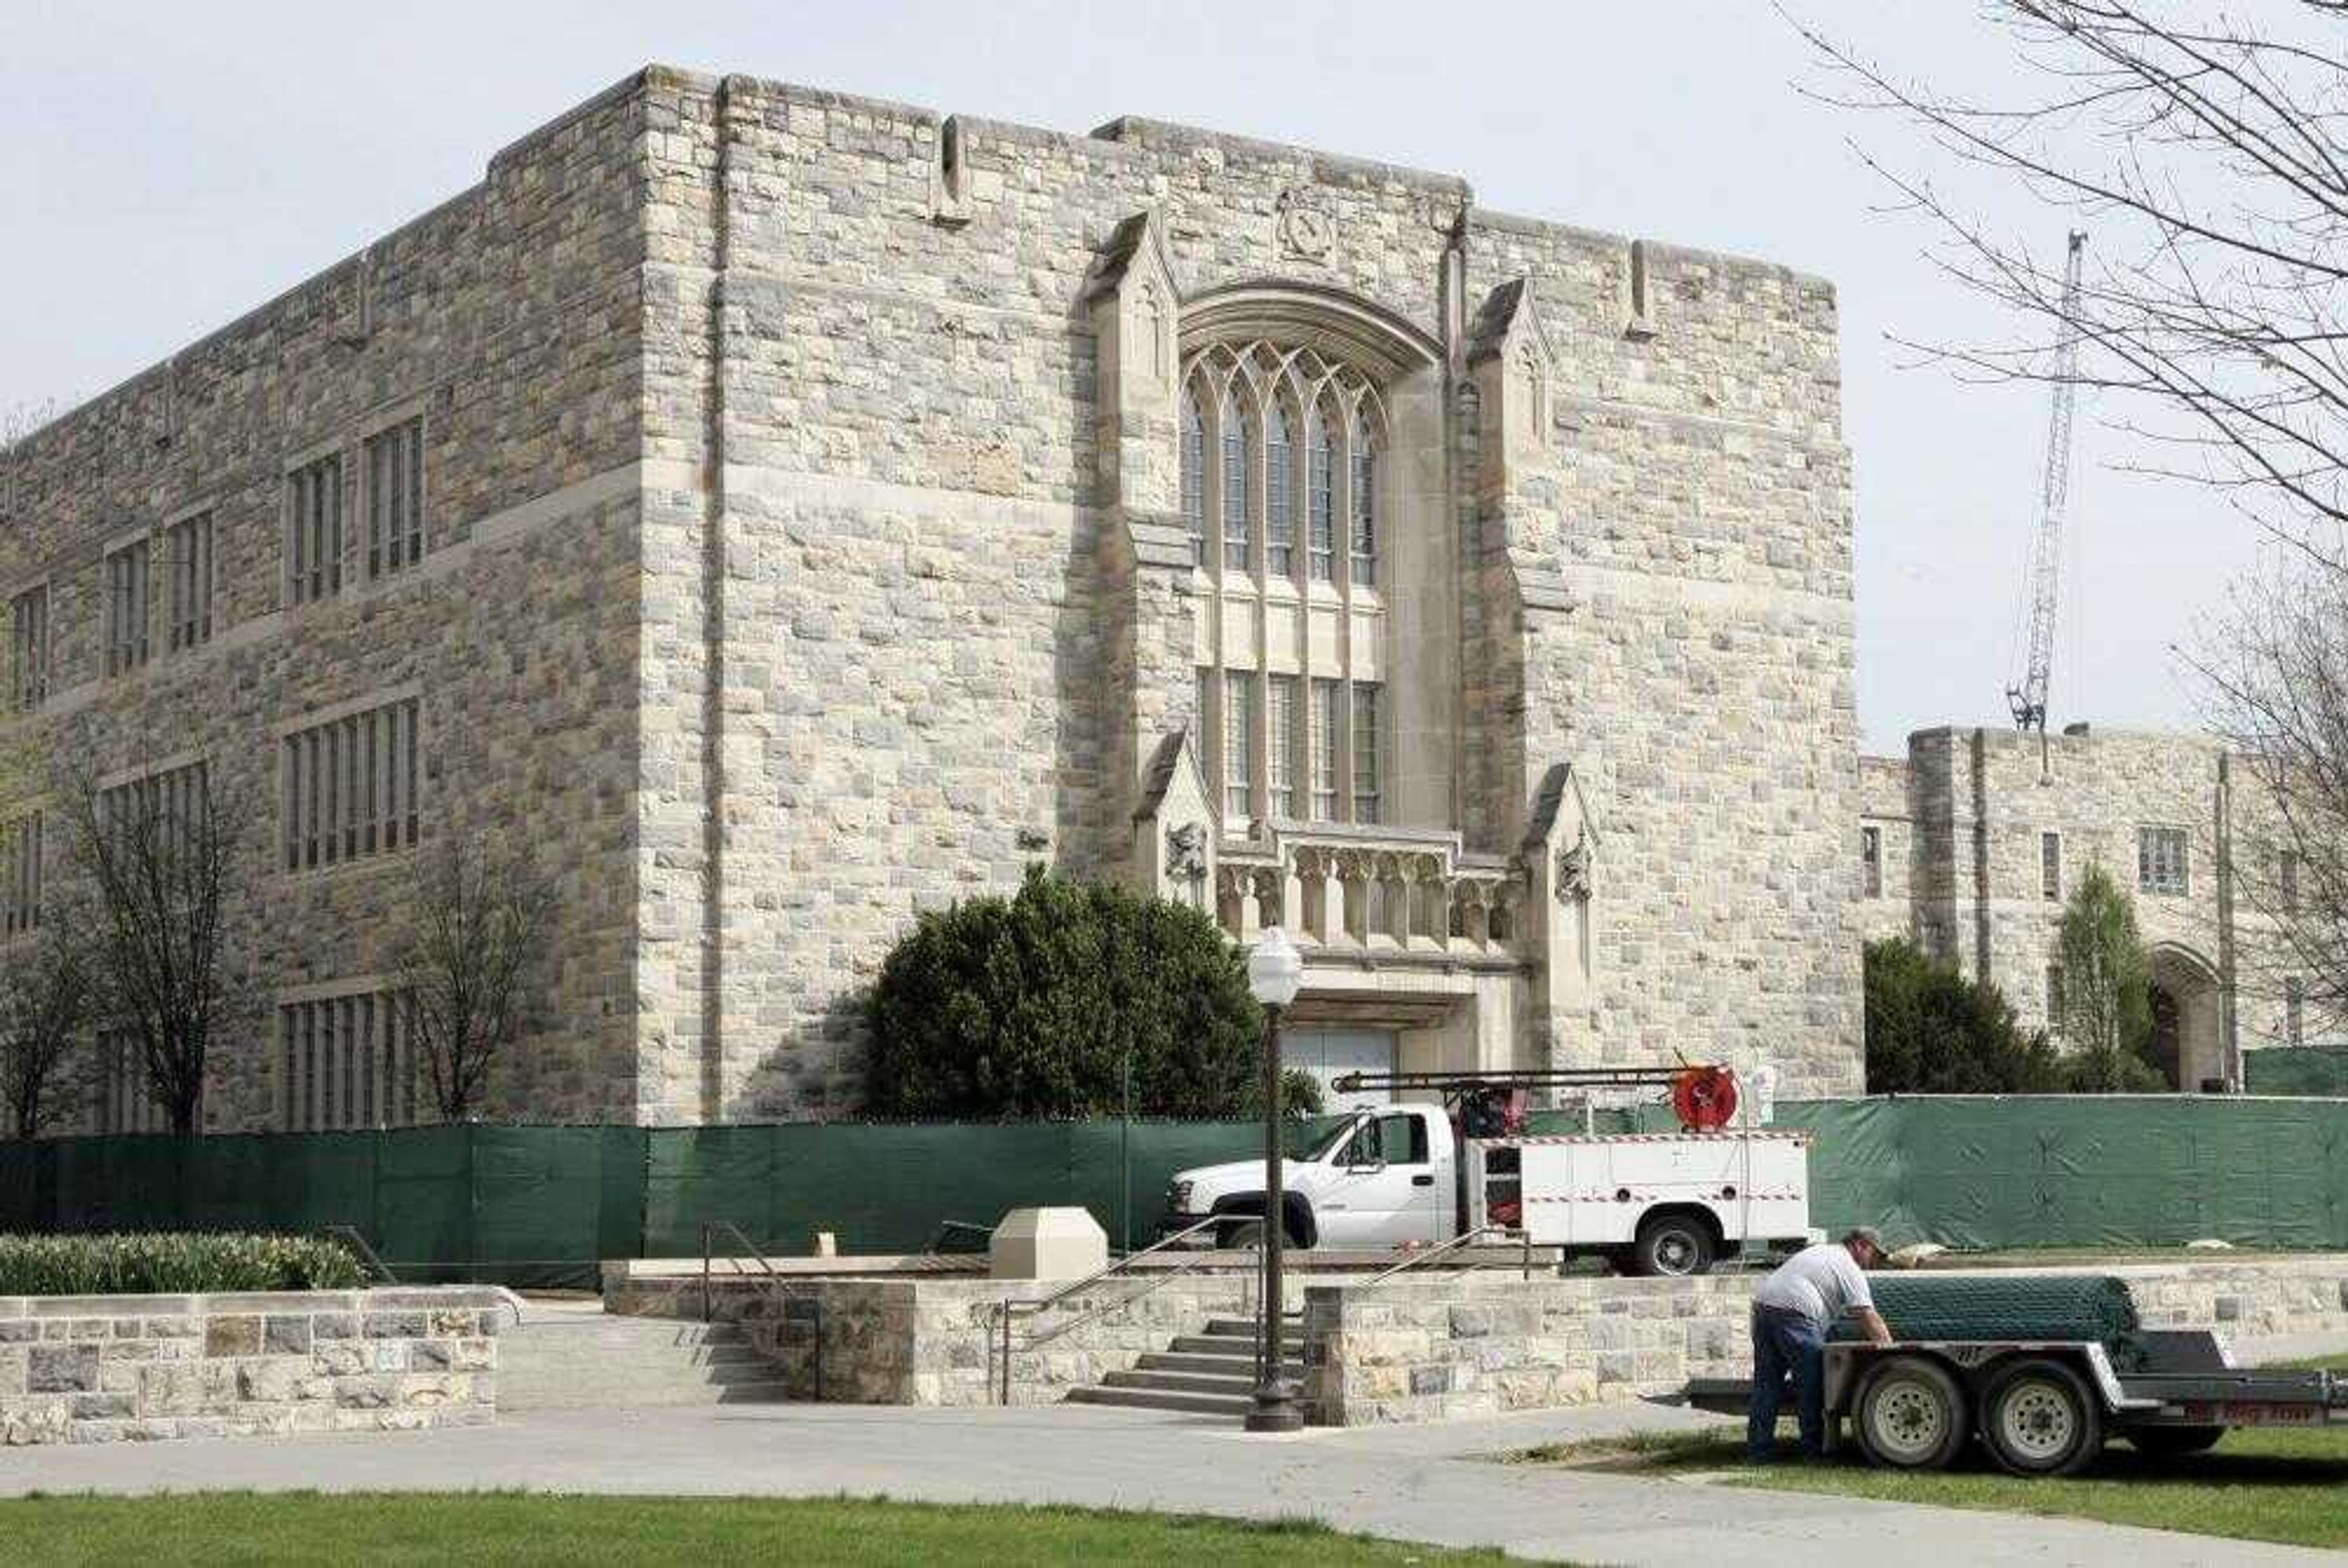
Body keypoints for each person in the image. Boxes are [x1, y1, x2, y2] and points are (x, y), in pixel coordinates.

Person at [1748, 1227, 1892, 1462]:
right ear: (1860, 1245)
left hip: (1764, 1308)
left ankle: (1758, 1453)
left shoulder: (1819, 1252)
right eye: (1873, 1254)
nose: (1873, 1261)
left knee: (1767, 1386)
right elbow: (1866, 1314)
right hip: (1796, 1315)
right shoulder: (1847, 1266)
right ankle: (1813, 1454)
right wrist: (1889, 1350)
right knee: (1811, 1387)